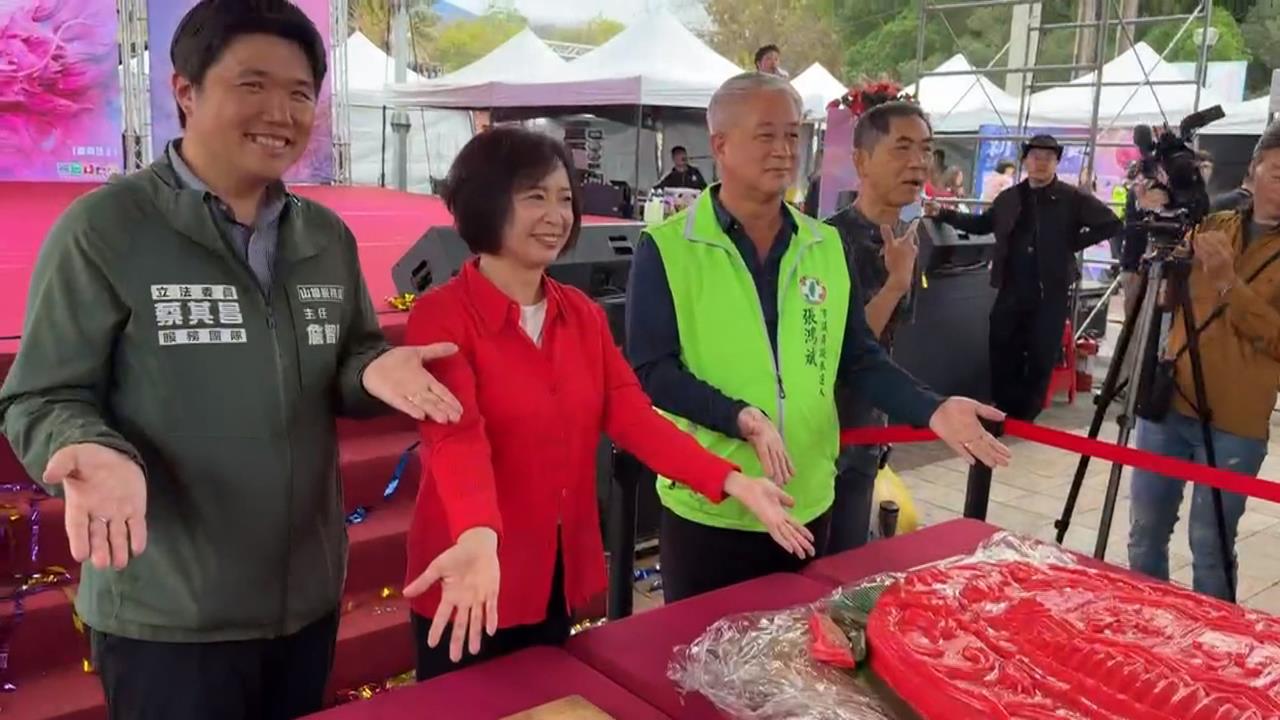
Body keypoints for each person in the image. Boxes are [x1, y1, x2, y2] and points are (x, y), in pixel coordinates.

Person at [0, 2, 463, 718]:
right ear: (185, 90)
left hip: (304, 600)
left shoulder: (325, 238)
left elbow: (349, 357)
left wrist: (373, 372)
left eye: (301, 92)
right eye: (252, 85)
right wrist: (86, 445)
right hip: (170, 613)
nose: (280, 112)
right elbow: (41, 395)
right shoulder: (106, 230)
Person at [400, 127, 802, 679]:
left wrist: (733, 481)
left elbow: (634, 417)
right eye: (534, 196)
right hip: (470, 573)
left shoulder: (582, 316)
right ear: (485, 202)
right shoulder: (442, 316)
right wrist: (476, 535)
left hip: (551, 571)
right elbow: (454, 437)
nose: (556, 215)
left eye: (565, 199)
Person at [626, 72, 1011, 603]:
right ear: (720, 145)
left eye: (793, 135)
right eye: (767, 135)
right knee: (703, 665)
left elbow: (855, 357)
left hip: (807, 500)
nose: (785, 151)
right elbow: (654, 372)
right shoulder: (668, 247)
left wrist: (932, 408)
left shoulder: (822, 244)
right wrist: (741, 417)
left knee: (796, 660)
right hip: (712, 503)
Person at [1127, 124, 1280, 600]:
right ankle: (1148, 626)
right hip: (1169, 401)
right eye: (1277, 171)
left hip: (1235, 421)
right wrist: (1156, 219)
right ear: (1253, 174)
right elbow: (1168, 301)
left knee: (1209, 545)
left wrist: (1229, 283)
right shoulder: (1215, 226)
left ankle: (1216, 652)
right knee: (1144, 535)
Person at [925, 134, 1122, 421]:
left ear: (1056, 162)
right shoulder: (1010, 197)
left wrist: (1070, 243)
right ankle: (1003, 409)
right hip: (1011, 286)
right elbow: (982, 224)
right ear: (1025, 160)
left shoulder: (1072, 198)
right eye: (1035, 157)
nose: (1041, 163)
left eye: (1048, 158)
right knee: (1003, 346)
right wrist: (943, 214)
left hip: (1050, 289)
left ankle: (1026, 415)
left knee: (1041, 353)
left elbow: (1111, 223)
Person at [823, 101, 931, 552]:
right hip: (824, 439)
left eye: (925, 149)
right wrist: (895, 284)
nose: (918, 163)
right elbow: (843, 348)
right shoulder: (826, 241)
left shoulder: (906, 237)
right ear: (861, 161)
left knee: (850, 565)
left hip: (870, 431)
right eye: (901, 148)